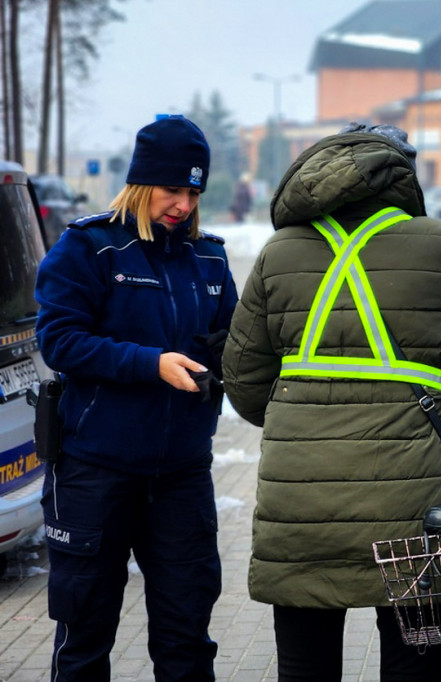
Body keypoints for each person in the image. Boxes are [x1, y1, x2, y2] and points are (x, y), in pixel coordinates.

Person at [219, 124, 441, 682]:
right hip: (411, 503)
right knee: (412, 664)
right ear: (401, 176)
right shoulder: (438, 243)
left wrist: (305, 420)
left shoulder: (279, 253)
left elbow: (244, 381)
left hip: (300, 510)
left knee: (304, 668)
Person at [34, 115, 238, 680]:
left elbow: (231, 341)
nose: (183, 204)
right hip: (95, 471)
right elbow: (59, 340)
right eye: (172, 189)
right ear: (142, 183)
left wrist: (226, 363)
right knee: (84, 635)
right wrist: (150, 364)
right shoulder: (91, 248)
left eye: (194, 192)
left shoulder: (211, 258)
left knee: (187, 639)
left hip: (181, 476)